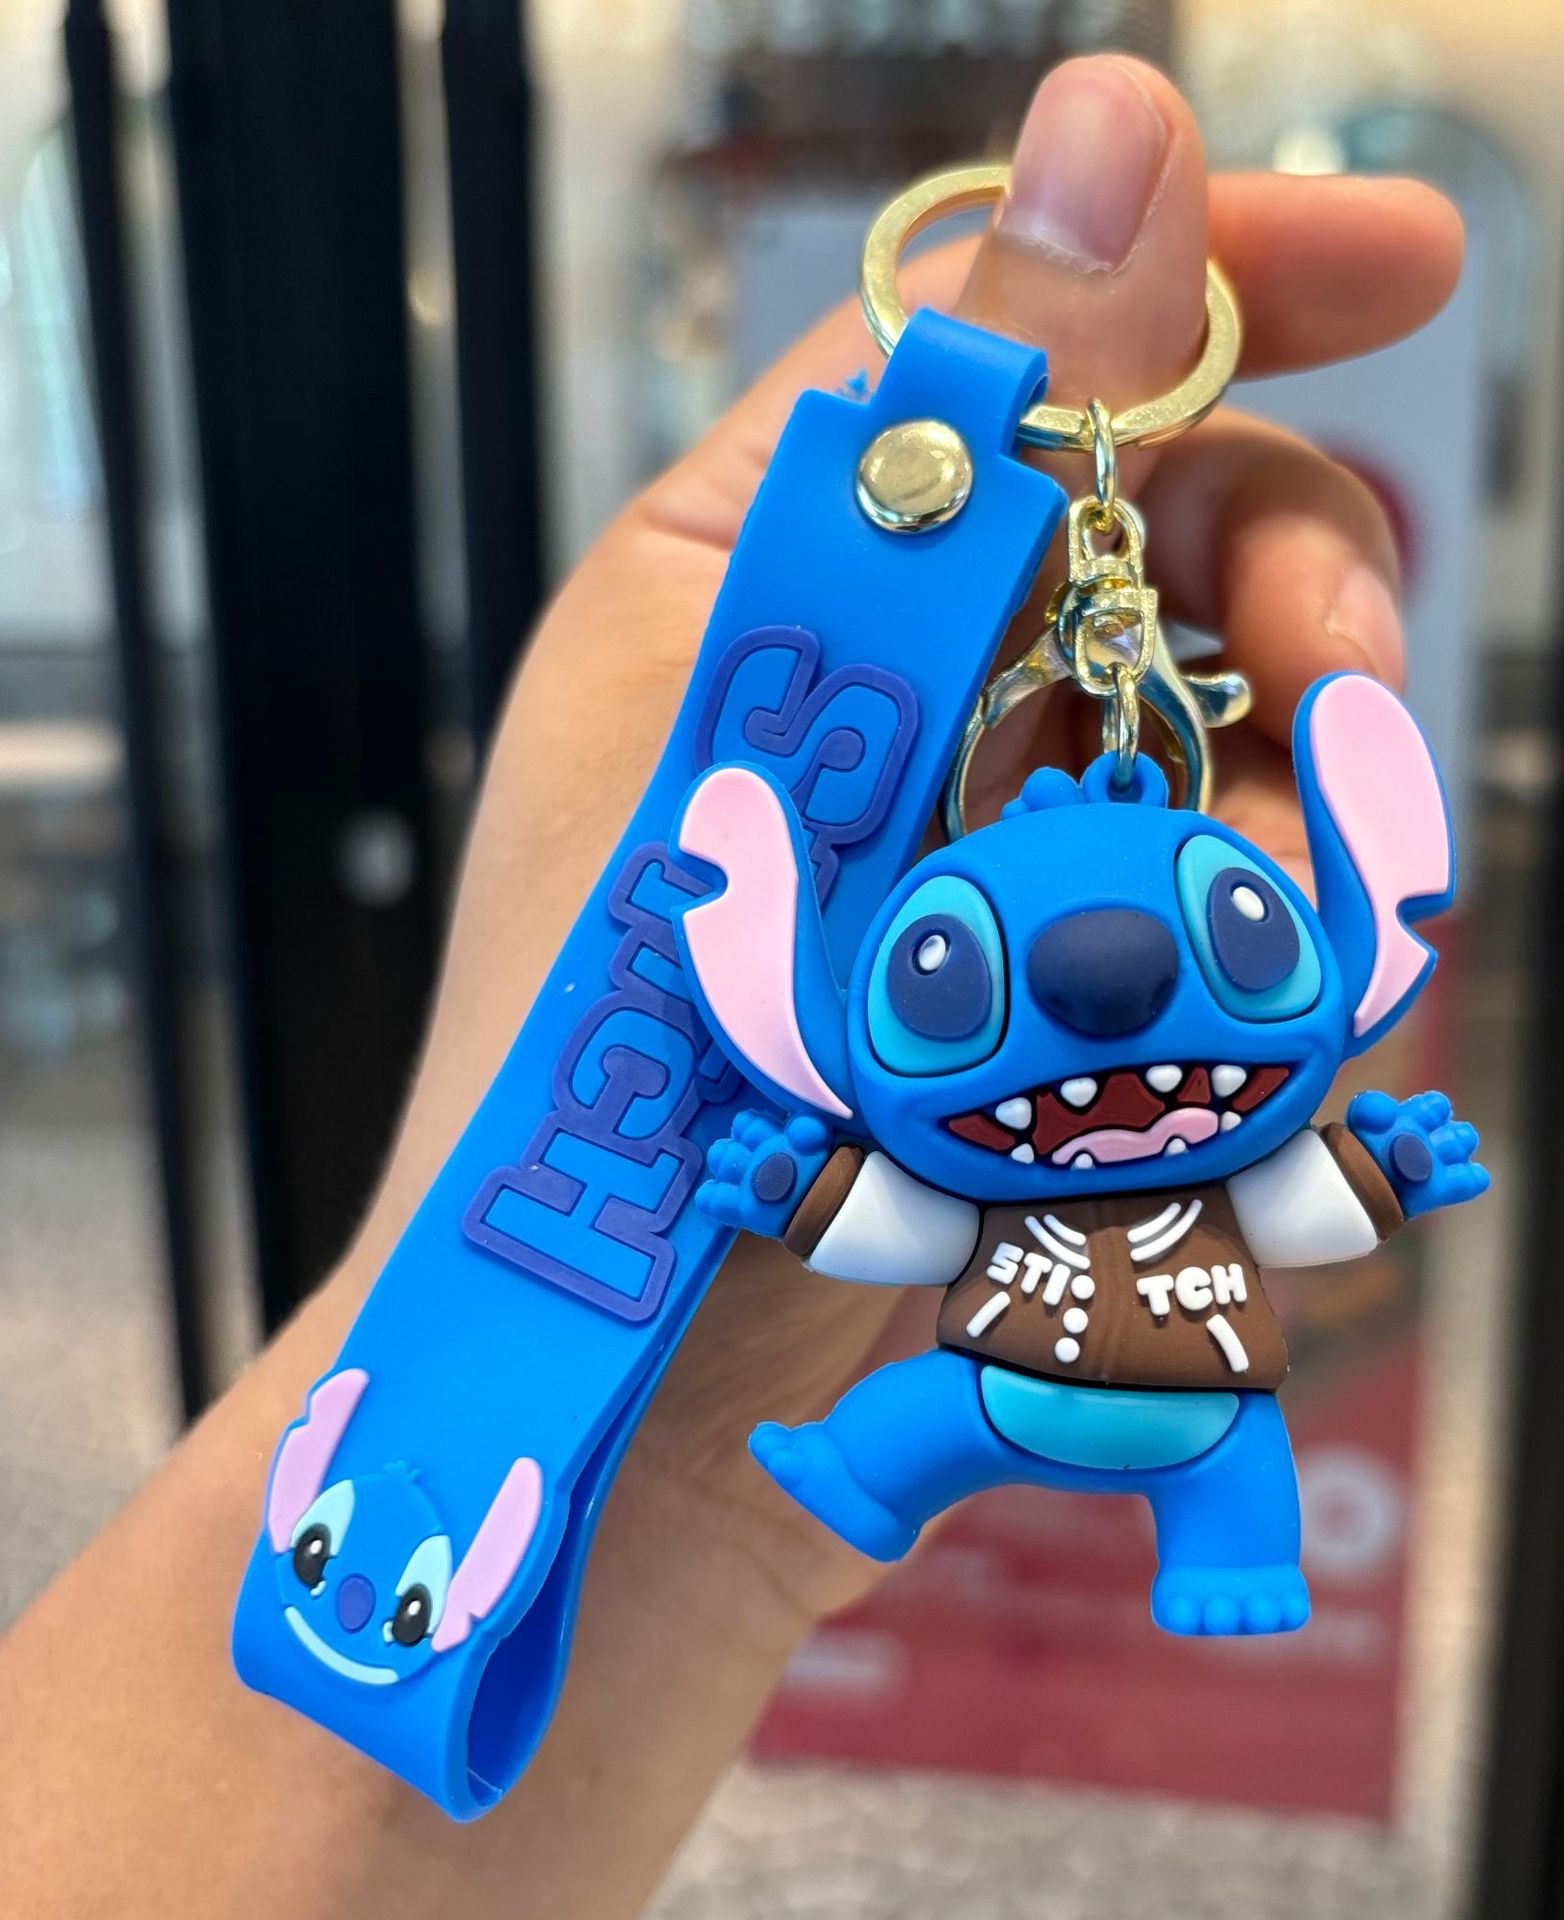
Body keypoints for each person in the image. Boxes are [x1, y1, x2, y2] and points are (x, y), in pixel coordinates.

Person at [0, 53, 1462, 1918]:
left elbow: (1281, 1187)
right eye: (950, 974)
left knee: (1183, 1465)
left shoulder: (1040, 1102)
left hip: (1122, 1358)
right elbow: (891, 1180)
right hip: (1011, 1352)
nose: (1106, 999)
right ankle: (878, 1475)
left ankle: (1176, 1530)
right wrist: (777, 1208)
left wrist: (1379, 1166)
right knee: (917, 1433)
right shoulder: (881, 1054)